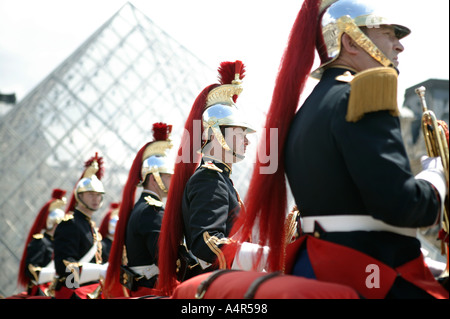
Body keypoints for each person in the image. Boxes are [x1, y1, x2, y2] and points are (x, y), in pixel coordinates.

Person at [231, 0, 448, 299]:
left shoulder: (306, 111)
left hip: (317, 264)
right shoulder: (363, 98)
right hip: (368, 270)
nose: (399, 46)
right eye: (389, 34)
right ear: (350, 41)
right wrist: (435, 180)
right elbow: (400, 205)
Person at [157, 61, 268, 296]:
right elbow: (207, 243)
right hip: (217, 285)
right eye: (240, 133)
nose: (247, 141)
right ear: (216, 135)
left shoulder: (221, 179)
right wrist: (262, 255)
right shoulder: (209, 179)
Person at [103, 123, 174, 298]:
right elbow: (165, 258)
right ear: (154, 179)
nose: (173, 182)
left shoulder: (142, 207)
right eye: (168, 177)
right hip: (152, 291)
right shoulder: (151, 210)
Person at [53, 153, 108, 299]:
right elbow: (65, 266)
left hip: (93, 290)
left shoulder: (92, 227)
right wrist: (99, 271)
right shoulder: (70, 224)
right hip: (75, 290)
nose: (95, 199)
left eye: (98, 195)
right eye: (90, 194)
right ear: (80, 196)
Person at [16, 188, 66, 297]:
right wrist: (54, 275)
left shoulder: (61, 244)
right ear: (52, 223)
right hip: (42, 291)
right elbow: (31, 269)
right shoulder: (40, 242)